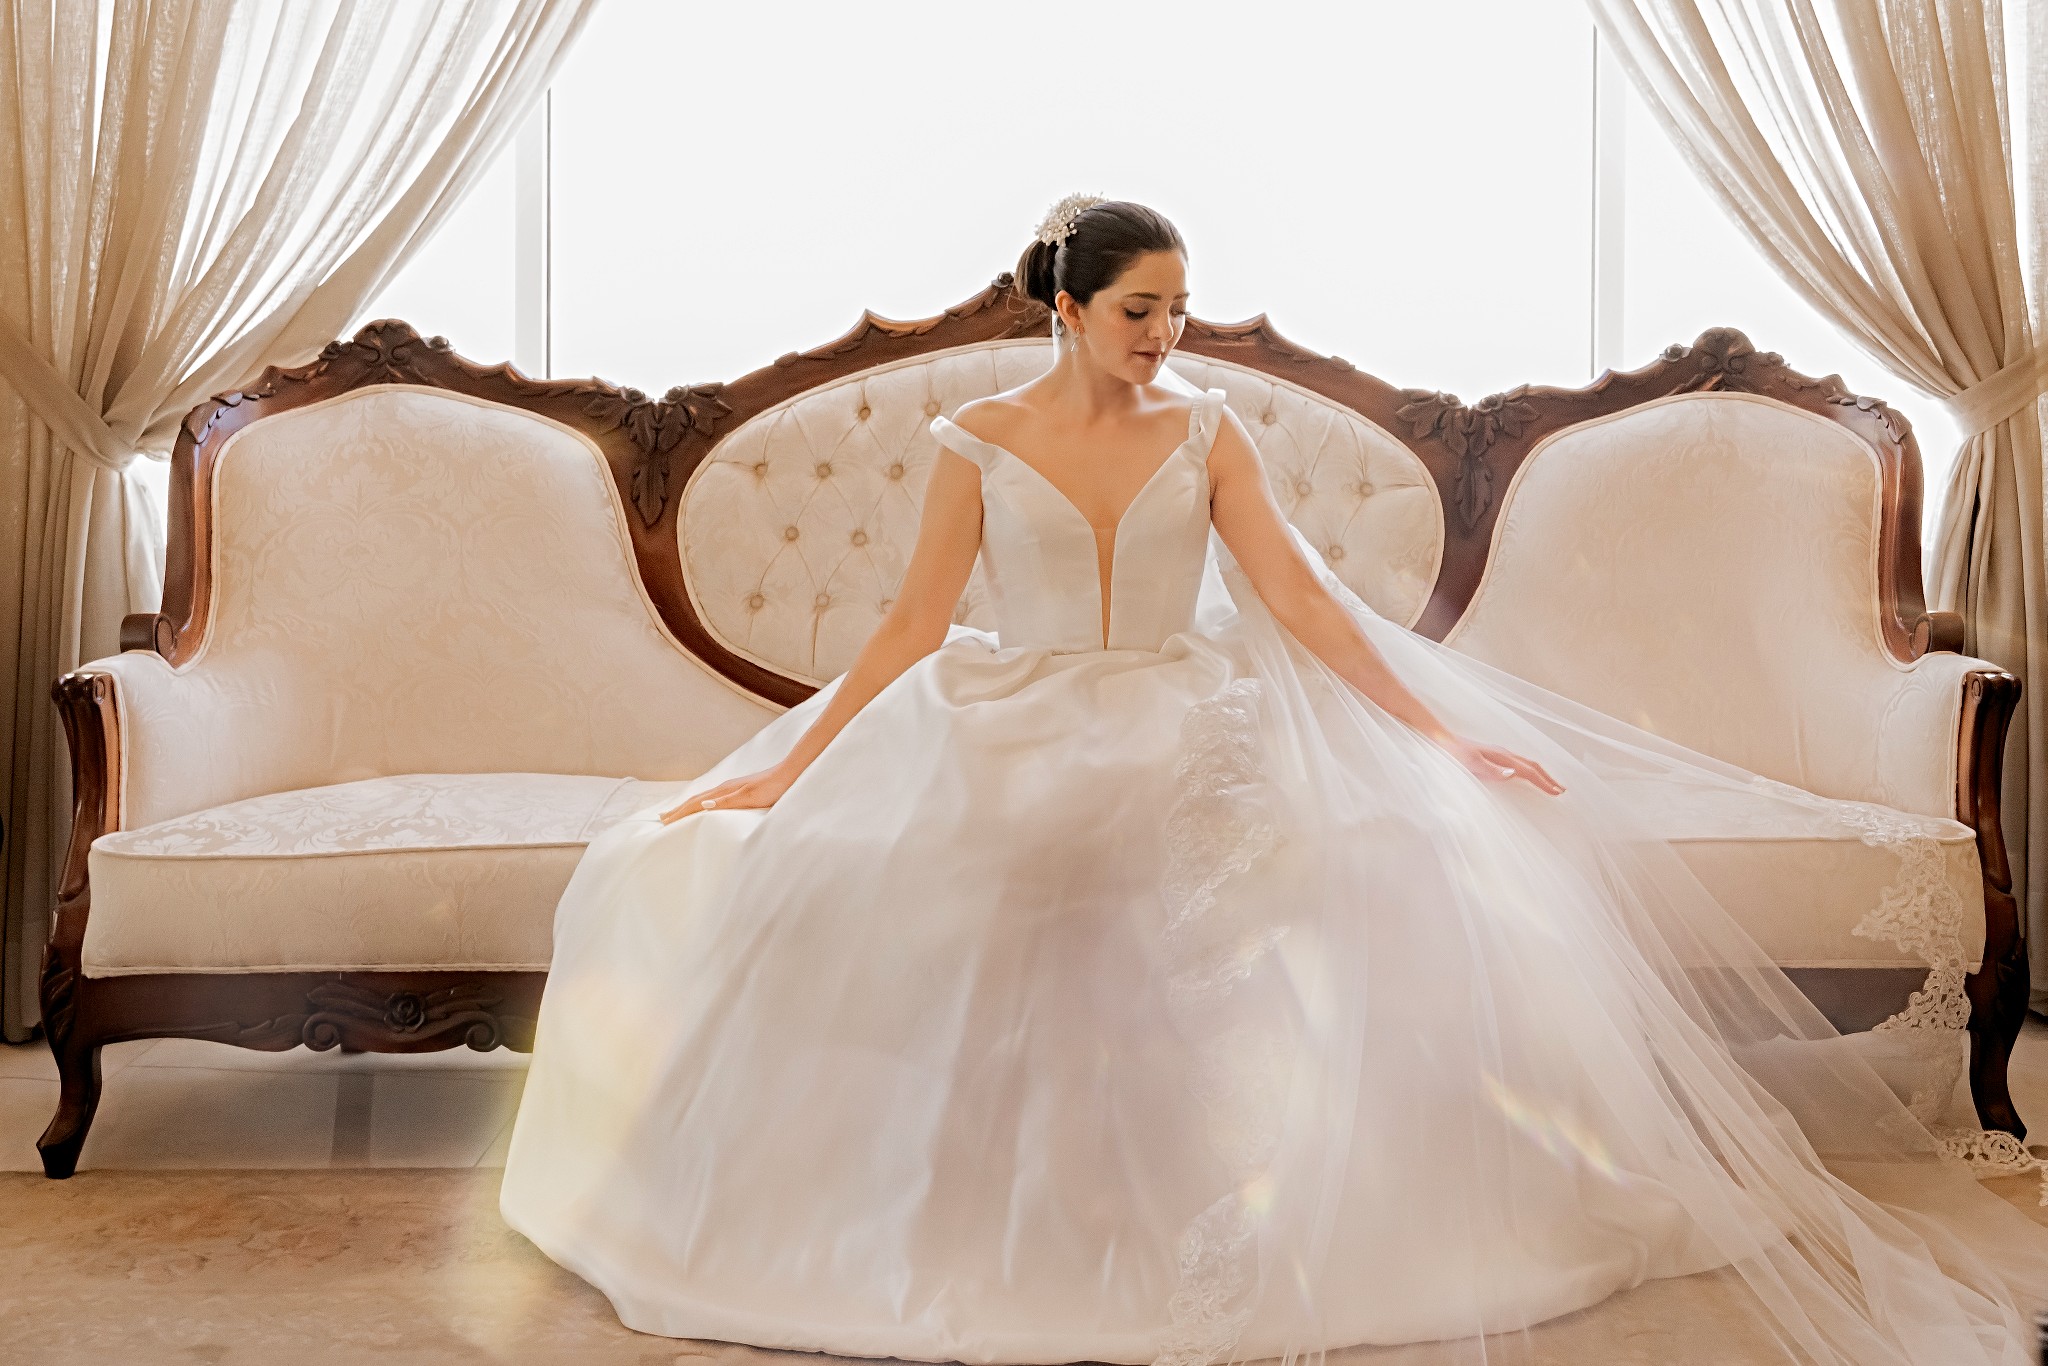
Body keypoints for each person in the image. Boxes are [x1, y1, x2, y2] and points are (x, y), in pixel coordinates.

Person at [500, 196, 2048, 1366]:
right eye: (1137, 310)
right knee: (947, 873)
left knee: (1338, 862)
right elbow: (909, 630)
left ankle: (1243, 1205)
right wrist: (786, 769)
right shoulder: (974, 439)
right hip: (1010, 710)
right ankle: (987, 1219)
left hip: (1186, 710)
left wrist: (1441, 735)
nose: (1164, 335)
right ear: (1065, 306)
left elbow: (1303, 601)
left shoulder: (1210, 428)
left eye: (1178, 309)